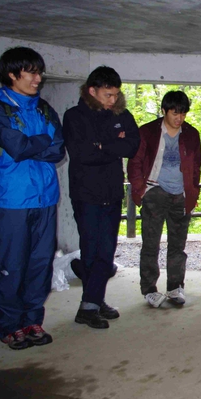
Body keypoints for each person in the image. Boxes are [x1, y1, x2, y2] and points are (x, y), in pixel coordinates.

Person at [0, 47, 65, 350]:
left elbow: (58, 150)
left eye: (40, 72)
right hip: (13, 199)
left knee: (40, 264)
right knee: (11, 265)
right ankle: (10, 325)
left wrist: (31, 144)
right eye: (32, 72)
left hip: (46, 198)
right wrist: (40, 142)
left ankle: (31, 320)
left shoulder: (44, 109)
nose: (38, 79)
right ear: (12, 74)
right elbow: (16, 146)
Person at [64, 66, 140, 329]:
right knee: (91, 251)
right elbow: (82, 154)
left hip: (112, 192)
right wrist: (113, 144)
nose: (113, 100)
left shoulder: (121, 114)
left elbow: (132, 145)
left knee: (106, 252)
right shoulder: (74, 117)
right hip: (86, 194)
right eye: (108, 95)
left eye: (116, 94)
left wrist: (101, 145)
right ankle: (90, 305)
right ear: (92, 91)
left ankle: (93, 301)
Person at [127, 91, 201, 308]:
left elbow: (196, 165)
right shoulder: (147, 132)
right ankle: (150, 289)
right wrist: (141, 190)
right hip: (155, 192)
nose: (179, 118)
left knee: (178, 245)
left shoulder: (191, 134)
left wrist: (192, 192)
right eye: (174, 113)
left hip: (181, 195)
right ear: (164, 111)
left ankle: (175, 287)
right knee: (151, 244)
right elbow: (135, 163)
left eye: (183, 113)